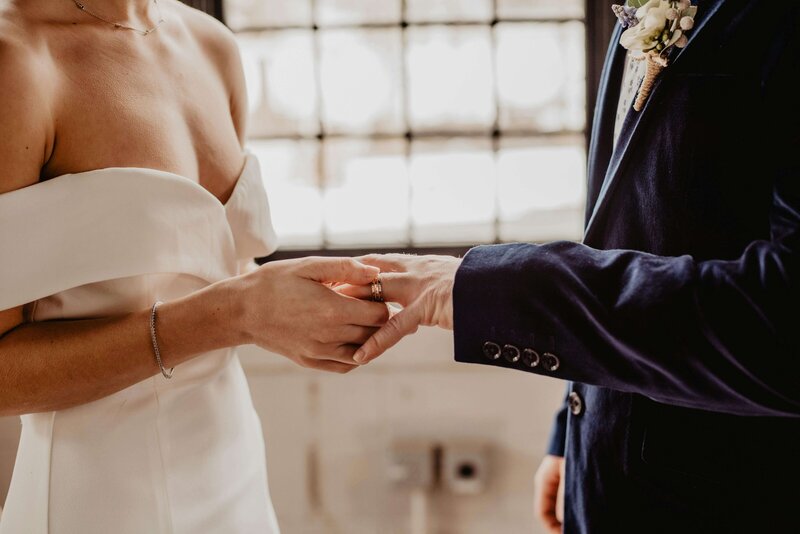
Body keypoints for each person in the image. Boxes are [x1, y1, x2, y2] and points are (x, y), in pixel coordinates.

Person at [350, 2, 800, 532]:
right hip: (610, 471)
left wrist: (485, 287)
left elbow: (783, 320)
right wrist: (574, 424)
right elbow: (632, 223)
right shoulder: (640, 9)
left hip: (736, 495)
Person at [0, 1, 388, 532]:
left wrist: (306, 308)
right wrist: (235, 314)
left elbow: (218, 266)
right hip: (99, 500)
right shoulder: (15, 60)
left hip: (235, 472)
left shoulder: (211, 44)